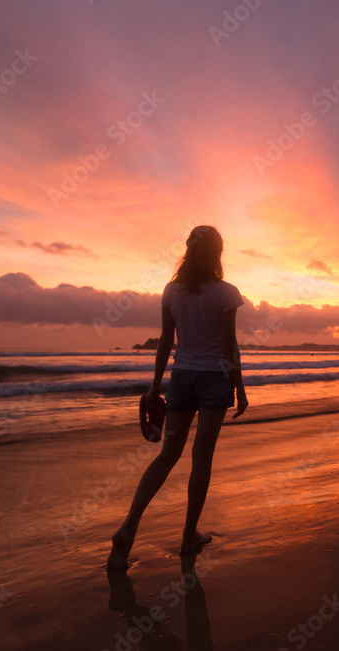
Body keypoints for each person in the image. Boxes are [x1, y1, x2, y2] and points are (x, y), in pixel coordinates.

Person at [108, 225, 248, 571]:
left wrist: (156, 384)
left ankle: (129, 526)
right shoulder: (226, 293)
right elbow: (229, 345)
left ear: (188, 251)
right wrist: (240, 388)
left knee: (167, 456)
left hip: (181, 378)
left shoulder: (172, 291)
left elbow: (164, 341)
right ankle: (188, 535)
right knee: (201, 458)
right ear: (217, 252)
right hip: (214, 380)